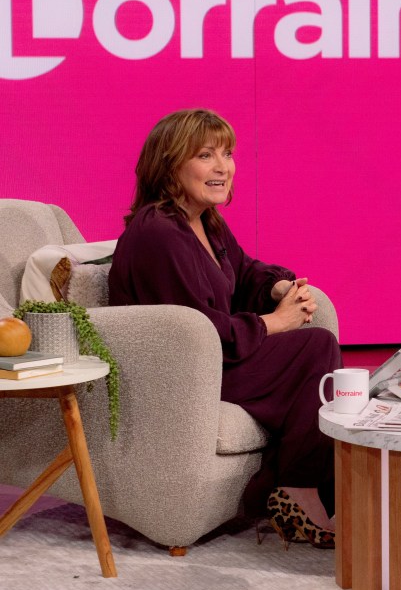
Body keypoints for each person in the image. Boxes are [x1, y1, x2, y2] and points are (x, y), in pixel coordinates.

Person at [109, 108, 342, 548]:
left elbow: (246, 270)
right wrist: (273, 324)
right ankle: (295, 489)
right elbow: (192, 330)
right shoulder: (157, 233)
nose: (223, 167)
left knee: (315, 353)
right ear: (170, 166)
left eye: (227, 154)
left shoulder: (203, 221)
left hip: (213, 358)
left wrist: (277, 289)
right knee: (314, 351)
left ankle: (302, 487)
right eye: (205, 155)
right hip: (180, 374)